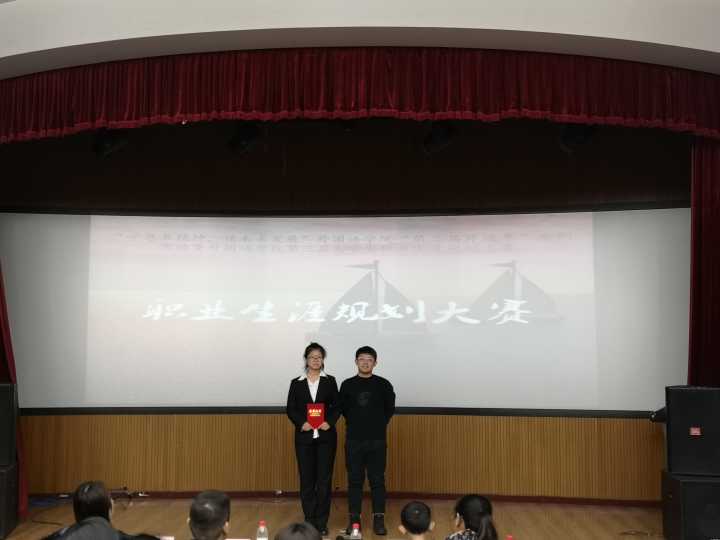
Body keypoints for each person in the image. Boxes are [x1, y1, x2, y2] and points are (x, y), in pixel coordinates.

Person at [339, 345, 395, 535]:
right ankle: (354, 521)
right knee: (354, 481)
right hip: (354, 440)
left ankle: (379, 520)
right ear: (356, 362)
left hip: (377, 441)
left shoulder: (384, 384)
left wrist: (375, 425)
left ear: (375, 363)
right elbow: (343, 409)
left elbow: (389, 409)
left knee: (377, 480)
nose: (365, 363)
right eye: (362, 359)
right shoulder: (347, 385)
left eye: (369, 360)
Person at [286, 342, 341, 536]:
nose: (316, 360)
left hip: (326, 437)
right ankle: (309, 520)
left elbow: (337, 406)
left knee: (324, 481)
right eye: (312, 357)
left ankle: (322, 522)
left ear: (323, 360)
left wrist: (329, 422)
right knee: (307, 480)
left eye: (319, 357)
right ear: (306, 360)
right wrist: (302, 423)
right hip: (304, 438)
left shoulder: (330, 381)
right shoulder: (296, 382)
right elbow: (291, 408)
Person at [42, 481, 119, 540]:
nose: (113, 502)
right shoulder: (114, 535)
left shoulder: (64, 533)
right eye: (111, 499)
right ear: (108, 510)